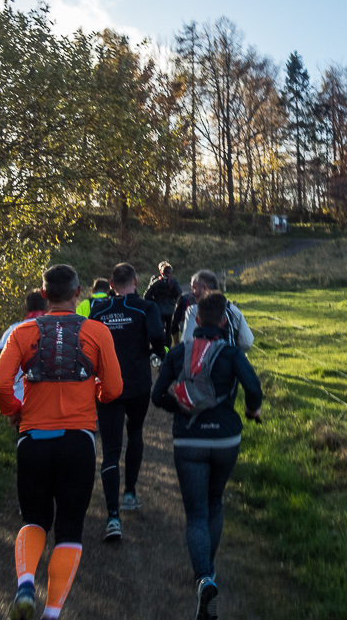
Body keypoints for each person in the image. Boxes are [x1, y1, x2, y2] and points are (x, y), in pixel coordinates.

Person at [0, 264, 122, 620]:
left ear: (44, 295)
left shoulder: (22, 332)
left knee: (33, 519)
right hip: (77, 441)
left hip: (32, 438)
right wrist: (92, 389)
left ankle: (25, 585)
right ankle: (51, 613)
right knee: (69, 527)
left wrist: (13, 411)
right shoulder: (96, 332)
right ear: (77, 293)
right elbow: (113, 390)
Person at [152, 291, 262, 620]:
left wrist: (181, 408)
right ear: (225, 321)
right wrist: (251, 409)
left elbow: (158, 396)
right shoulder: (231, 353)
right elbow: (254, 387)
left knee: (196, 513)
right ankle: (208, 574)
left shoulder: (179, 352)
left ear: (196, 321)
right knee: (215, 504)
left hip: (190, 441)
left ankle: (203, 578)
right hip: (226, 439)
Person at [89, 262, 167, 541]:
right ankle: (130, 494)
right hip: (136, 383)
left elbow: (87, 345)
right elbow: (158, 336)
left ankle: (113, 517)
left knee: (110, 449)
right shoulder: (146, 308)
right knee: (135, 433)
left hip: (107, 386)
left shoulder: (99, 311)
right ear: (135, 280)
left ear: (111, 284)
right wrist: (154, 350)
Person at [0, 289, 48, 408]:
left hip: (21, 403)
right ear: (47, 308)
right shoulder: (58, 330)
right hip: (53, 405)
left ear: (25, 309)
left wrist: (10, 409)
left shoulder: (10, 333)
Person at [180, 269, 254, 352]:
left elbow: (186, 344)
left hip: (203, 363)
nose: (192, 292)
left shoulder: (194, 311)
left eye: (194, 288)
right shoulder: (234, 310)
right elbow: (247, 343)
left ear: (205, 288)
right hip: (230, 360)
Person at [144, 260, 182, 338]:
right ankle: (167, 347)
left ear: (161, 272)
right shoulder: (173, 282)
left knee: (159, 329)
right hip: (170, 310)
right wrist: (174, 301)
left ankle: (160, 346)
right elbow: (179, 294)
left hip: (158, 310)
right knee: (169, 330)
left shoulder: (156, 282)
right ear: (170, 272)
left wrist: (154, 301)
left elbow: (146, 296)